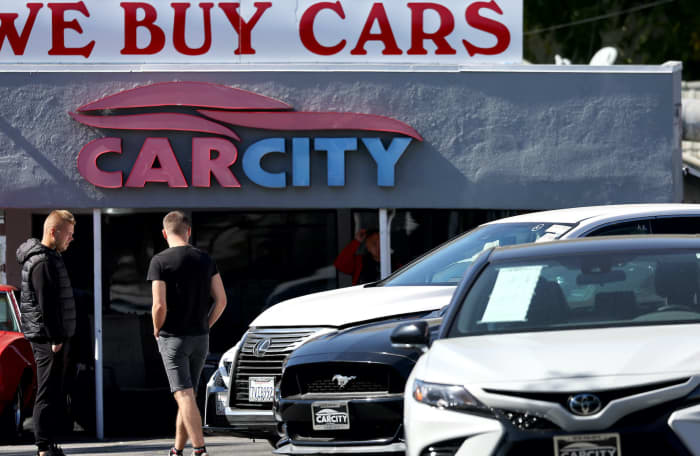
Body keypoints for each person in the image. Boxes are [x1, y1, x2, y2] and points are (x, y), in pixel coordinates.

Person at [148, 211, 227, 456]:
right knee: (188, 395)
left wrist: (156, 329)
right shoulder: (205, 259)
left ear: (164, 233)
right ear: (188, 231)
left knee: (183, 395)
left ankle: (200, 449)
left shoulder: (159, 261)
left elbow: (159, 305)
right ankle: (177, 449)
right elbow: (222, 300)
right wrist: (206, 325)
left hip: (173, 337)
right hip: (200, 338)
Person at [16, 210, 76, 456]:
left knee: (52, 390)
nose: (71, 239)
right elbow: (47, 304)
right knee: (46, 391)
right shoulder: (42, 262)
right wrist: (55, 339)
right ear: (54, 232)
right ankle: (43, 448)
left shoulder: (49, 257)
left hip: (50, 336)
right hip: (47, 338)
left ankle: (48, 444)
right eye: (69, 234)